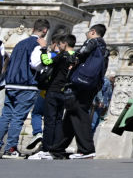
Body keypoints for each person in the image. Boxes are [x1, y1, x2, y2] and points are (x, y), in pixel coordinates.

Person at [52, 23, 108, 159]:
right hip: (91, 84)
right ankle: (57, 148)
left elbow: (80, 54)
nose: (86, 34)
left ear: (93, 32)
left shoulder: (92, 41)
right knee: (72, 112)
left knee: (78, 112)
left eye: (88, 32)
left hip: (80, 83)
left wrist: (69, 58)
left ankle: (87, 149)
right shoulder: (104, 48)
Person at [0, 18, 49, 158]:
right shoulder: (37, 44)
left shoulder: (20, 44)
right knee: (18, 117)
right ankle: (11, 148)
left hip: (11, 83)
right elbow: (35, 64)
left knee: (6, 115)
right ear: (45, 30)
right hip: (26, 84)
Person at [28, 33, 76, 160]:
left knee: (49, 120)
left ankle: (45, 149)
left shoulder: (63, 55)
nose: (59, 46)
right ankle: (56, 148)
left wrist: (43, 48)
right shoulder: (75, 56)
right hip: (64, 91)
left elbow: (46, 61)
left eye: (60, 44)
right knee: (58, 120)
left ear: (64, 43)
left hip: (53, 90)